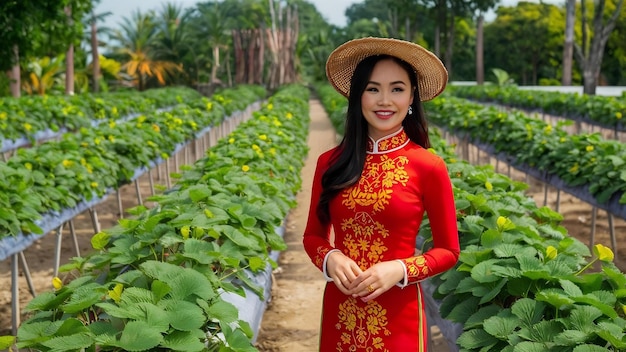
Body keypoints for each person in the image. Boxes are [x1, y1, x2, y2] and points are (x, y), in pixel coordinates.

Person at [302, 37, 460, 351]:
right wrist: (330, 258)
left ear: (412, 97)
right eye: (373, 89)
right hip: (341, 312)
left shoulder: (428, 166)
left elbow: (448, 251)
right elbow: (312, 237)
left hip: (399, 312)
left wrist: (400, 269)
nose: (384, 100)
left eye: (397, 89)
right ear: (357, 96)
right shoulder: (330, 163)